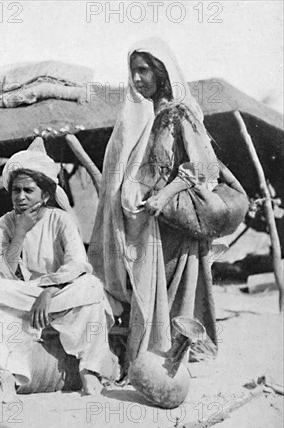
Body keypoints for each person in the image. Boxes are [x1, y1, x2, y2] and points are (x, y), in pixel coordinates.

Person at [89, 38, 224, 366]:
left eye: (144, 70)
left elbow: (206, 167)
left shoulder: (179, 114)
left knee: (172, 295)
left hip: (175, 223)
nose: (136, 78)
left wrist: (164, 194)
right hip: (148, 222)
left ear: (162, 72)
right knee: (145, 294)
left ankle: (167, 361)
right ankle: (146, 359)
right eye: (132, 71)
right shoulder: (146, 117)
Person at [0, 138, 118, 402]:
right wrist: (20, 233)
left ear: (45, 195)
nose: (21, 196)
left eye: (29, 190)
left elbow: (76, 265)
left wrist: (48, 292)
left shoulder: (60, 220)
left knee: (92, 285)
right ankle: (8, 376)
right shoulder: (3, 225)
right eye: (16, 190)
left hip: (58, 295)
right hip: (25, 297)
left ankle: (89, 372)